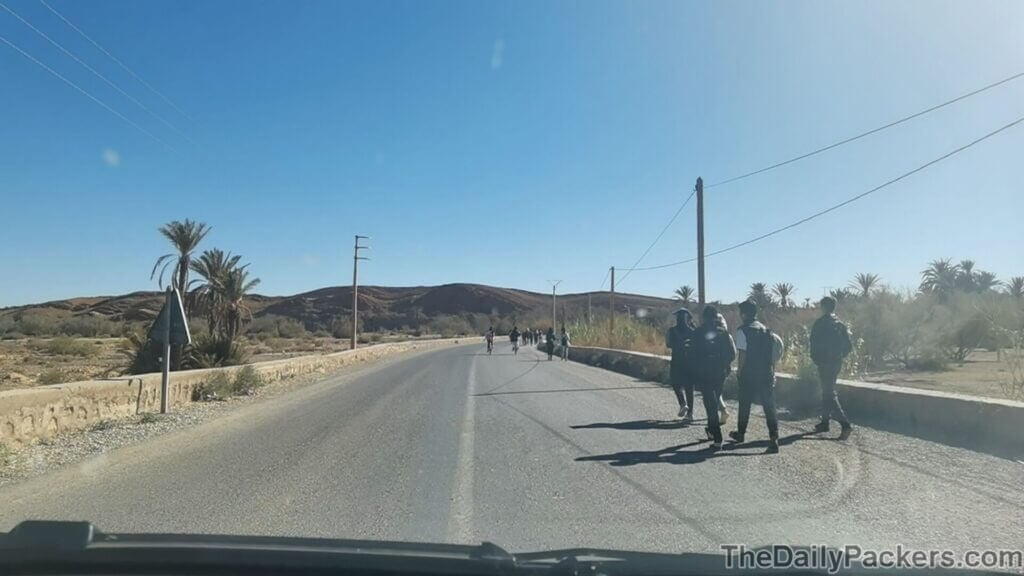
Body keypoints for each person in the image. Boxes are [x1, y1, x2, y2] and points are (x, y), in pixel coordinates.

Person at [728, 300, 785, 454]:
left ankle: (740, 433)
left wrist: (739, 372)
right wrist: (772, 372)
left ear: (744, 314)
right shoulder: (767, 330)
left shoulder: (743, 330)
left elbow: (743, 354)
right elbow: (773, 355)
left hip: (749, 372)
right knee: (769, 406)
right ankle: (774, 437)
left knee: (745, 404)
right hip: (765, 372)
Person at [692, 305, 736, 450]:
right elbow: (731, 353)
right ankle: (711, 430)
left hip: (704, 372)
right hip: (720, 372)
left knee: (710, 404)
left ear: (704, 317)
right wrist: (723, 365)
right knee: (715, 398)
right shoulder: (723, 332)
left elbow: (692, 354)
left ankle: (717, 437)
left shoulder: (698, 332)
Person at [810, 296, 854, 439]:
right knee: (827, 390)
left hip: (824, 363)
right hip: (836, 363)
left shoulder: (820, 323)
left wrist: (816, 359)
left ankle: (845, 424)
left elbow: (813, 344)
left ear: (823, 307)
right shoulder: (840, 324)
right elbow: (849, 346)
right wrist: (839, 357)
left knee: (829, 393)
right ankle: (824, 422)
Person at [666, 307, 696, 421]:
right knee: (689, 388)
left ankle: (683, 404)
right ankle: (690, 414)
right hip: (690, 362)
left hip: (676, 361)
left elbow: (668, 344)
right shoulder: (692, 331)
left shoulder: (672, 331)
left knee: (675, 383)